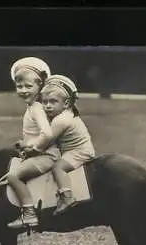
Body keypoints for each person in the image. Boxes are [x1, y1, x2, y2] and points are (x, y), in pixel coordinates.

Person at [6, 57, 61, 228]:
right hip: (41, 152)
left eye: (28, 86)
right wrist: (25, 142)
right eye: (19, 86)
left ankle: (29, 213)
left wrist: (33, 147)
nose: (23, 90)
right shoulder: (32, 106)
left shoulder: (37, 108)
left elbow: (46, 133)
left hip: (47, 156)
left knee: (13, 176)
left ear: (40, 87)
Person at [36, 74, 96, 215]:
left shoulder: (61, 120)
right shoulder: (63, 114)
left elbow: (45, 142)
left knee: (58, 167)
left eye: (53, 102)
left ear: (67, 103)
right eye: (44, 102)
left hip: (79, 151)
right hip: (71, 149)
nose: (48, 106)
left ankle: (67, 197)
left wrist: (30, 148)